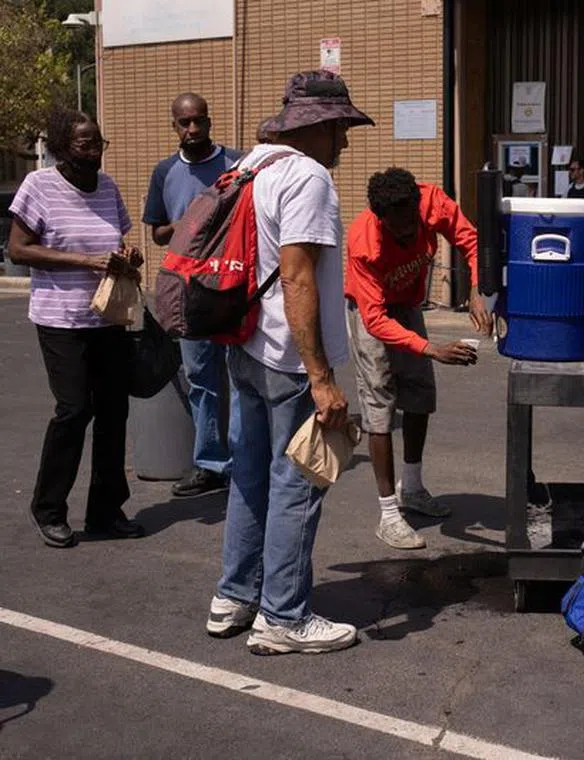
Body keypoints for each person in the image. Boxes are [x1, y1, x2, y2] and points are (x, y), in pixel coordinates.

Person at [205, 71, 374, 655]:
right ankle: (283, 617)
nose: (345, 144)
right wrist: (322, 377)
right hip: (289, 357)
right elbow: (299, 276)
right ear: (318, 128)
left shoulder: (250, 166)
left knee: (250, 479)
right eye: (341, 130)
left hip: (245, 344)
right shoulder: (307, 177)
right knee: (298, 482)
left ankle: (234, 598)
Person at [7, 109, 145, 548]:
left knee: (112, 412)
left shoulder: (107, 187)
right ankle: (48, 509)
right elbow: (18, 249)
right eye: (84, 144)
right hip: (60, 319)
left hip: (106, 316)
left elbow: (121, 238)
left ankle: (106, 511)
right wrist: (85, 261)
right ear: (64, 147)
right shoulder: (39, 186)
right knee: (73, 410)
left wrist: (129, 256)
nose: (93, 152)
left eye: (98, 143)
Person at [345, 168, 492, 550]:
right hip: (370, 312)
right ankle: (389, 514)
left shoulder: (431, 201)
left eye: (414, 225)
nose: (412, 236)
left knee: (420, 396)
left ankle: (411, 487)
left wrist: (477, 288)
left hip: (408, 304)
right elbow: (375, 318)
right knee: (380, 405)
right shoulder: (364, 241)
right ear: (381, 220)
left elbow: (471, 240)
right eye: (401, 231)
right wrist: (431, 349)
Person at [143, 93, 243, 499]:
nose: (192, 130)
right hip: (188, 289)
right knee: (201, 378)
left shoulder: (237, 164)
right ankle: (210, 464)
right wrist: (188, 222)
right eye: (184, 123)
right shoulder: (165, 171)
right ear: (175, 127)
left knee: (241, 376)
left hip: (232, 283)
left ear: (209, 121)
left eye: (198, 121)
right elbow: (157, 232)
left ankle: (245, 459)